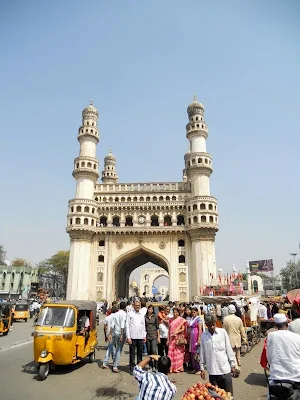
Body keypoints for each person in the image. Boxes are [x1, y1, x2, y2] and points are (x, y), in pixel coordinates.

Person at [200, 313, 236, 395]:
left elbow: (228, 349)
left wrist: (233, 364)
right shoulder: (203, 336)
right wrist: (202, 368)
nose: (212, 327)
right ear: (206, 325)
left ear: (215, 323)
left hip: (225, 370)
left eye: (213, 325)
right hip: (212, 372)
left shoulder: (222, 332)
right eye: (209, 325)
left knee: (228, 395)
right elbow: (202, 353)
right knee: (215, 396)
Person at [266, 313, 300, 398]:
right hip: (296, 377)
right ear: (287, 324)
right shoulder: (297, 337)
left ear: (276, 325)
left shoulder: (271, 336)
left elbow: (269, 358)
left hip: (277, 378)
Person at [223, 304, 247, 370]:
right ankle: (238, 364)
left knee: (232, 353)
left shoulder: (225, 319)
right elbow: (242, 330)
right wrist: (244, 339)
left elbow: (223, 330)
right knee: (238, 352)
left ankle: (234, 366)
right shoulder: (238, 319)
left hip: (229, 339)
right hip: (237, 338)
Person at [126, 300, 146, 375]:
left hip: (140, 336)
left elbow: (143, 325)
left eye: (138, 305)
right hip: (132, 336)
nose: (137, 307)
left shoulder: (141, 314)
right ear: (133, 306)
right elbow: (127, 326)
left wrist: (144, 335)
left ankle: (139, 367)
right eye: (136, 305)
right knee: (132, 353)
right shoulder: (130, 314)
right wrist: (128, 337)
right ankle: (132, 368)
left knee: (140, 353)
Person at [167, 307, 187, 373]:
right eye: (174, 312)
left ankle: (178, 368)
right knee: (171, 353)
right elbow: (169, 330)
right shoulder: (171, 319)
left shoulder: (181, 319)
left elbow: (183, 329)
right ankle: (171, 367)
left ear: (178, 313)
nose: (175, 314)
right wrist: (168, 339)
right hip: (171, 338)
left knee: (178, 353)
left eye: (176, 312)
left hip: (178, 338)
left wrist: (176, 332)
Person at [110, 301, 127, 373]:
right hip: (121, 333)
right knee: (119, 349)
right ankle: (115, 366)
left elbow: (112, 325)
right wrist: (122, 335)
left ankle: (114, 361)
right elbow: (123, 325)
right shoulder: (124, 314)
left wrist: (110, 334)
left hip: (115, 333)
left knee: (116, 348)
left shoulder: (115, 314)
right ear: (125, 307)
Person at [144, 305, 160, 370]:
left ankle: (156, 365)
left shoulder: (155, 317)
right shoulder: (145, 317)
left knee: (154, 350)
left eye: (151, 309)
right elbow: (144, 327)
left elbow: (157, 328)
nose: (150, 310)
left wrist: (158, 337)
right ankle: (150, 365)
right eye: (149, 309)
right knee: (149, 351)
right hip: (147, 336)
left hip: (154, 336)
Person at [188, 307, 202, 374]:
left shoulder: (199, 319)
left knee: (196, 352)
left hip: (196, 336)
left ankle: (199, 369)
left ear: (197, 312)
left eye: (194, 312)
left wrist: (199, 338)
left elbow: (200, 329)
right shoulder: (191, 319)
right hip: (192, 337)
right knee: (192, 353)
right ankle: (194, 368)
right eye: (192, 312)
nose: (193, 313)